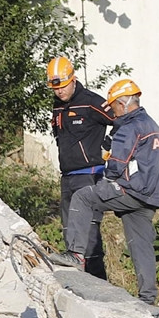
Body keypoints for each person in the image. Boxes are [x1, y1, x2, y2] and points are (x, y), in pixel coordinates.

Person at [67, 79, 159, 306]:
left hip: (130, 190)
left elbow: (117, 163)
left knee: (82, 197)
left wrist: (107, 176)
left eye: (113, 107)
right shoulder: (152, 126)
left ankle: (75, 255)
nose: (113, 112)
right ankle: (147, 299)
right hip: (150, 196)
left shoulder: (130, 127)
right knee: (141, 245)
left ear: (123, 104)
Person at [47, 55, 114, 279]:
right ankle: (78, 285)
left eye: (63, 86)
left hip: (90, 176)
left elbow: (121, 121)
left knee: (89, 234)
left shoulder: (91, 101)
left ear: (73, 79)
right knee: (70, 233)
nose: (59, 92)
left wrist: (108, 146)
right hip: (67, 176)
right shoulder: (57, 106)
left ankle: (100, 285)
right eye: (55, 88)